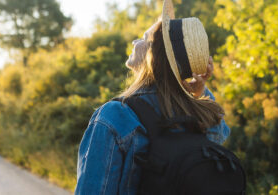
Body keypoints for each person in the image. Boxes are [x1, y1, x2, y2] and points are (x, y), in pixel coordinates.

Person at [74, 1, 231, 194]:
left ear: (152, 55)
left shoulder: (115, 117)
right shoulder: (204, 118)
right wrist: (200, 93)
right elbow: (218, 123)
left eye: (143, 38)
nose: (134, 42)